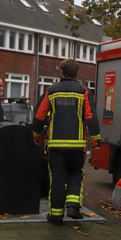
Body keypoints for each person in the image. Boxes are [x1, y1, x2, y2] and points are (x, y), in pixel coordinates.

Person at [32, 59, 101, 226]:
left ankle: (56, 216)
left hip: (56, 146)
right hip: (77, 146)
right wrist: (95, 139)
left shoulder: (52, 91)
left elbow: (39, 115)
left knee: (57, 178)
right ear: (76, 73)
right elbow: (91, 117)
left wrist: (37, 136)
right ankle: (73, 209)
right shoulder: (83, 91)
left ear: (62, 72)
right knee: (75, 175)